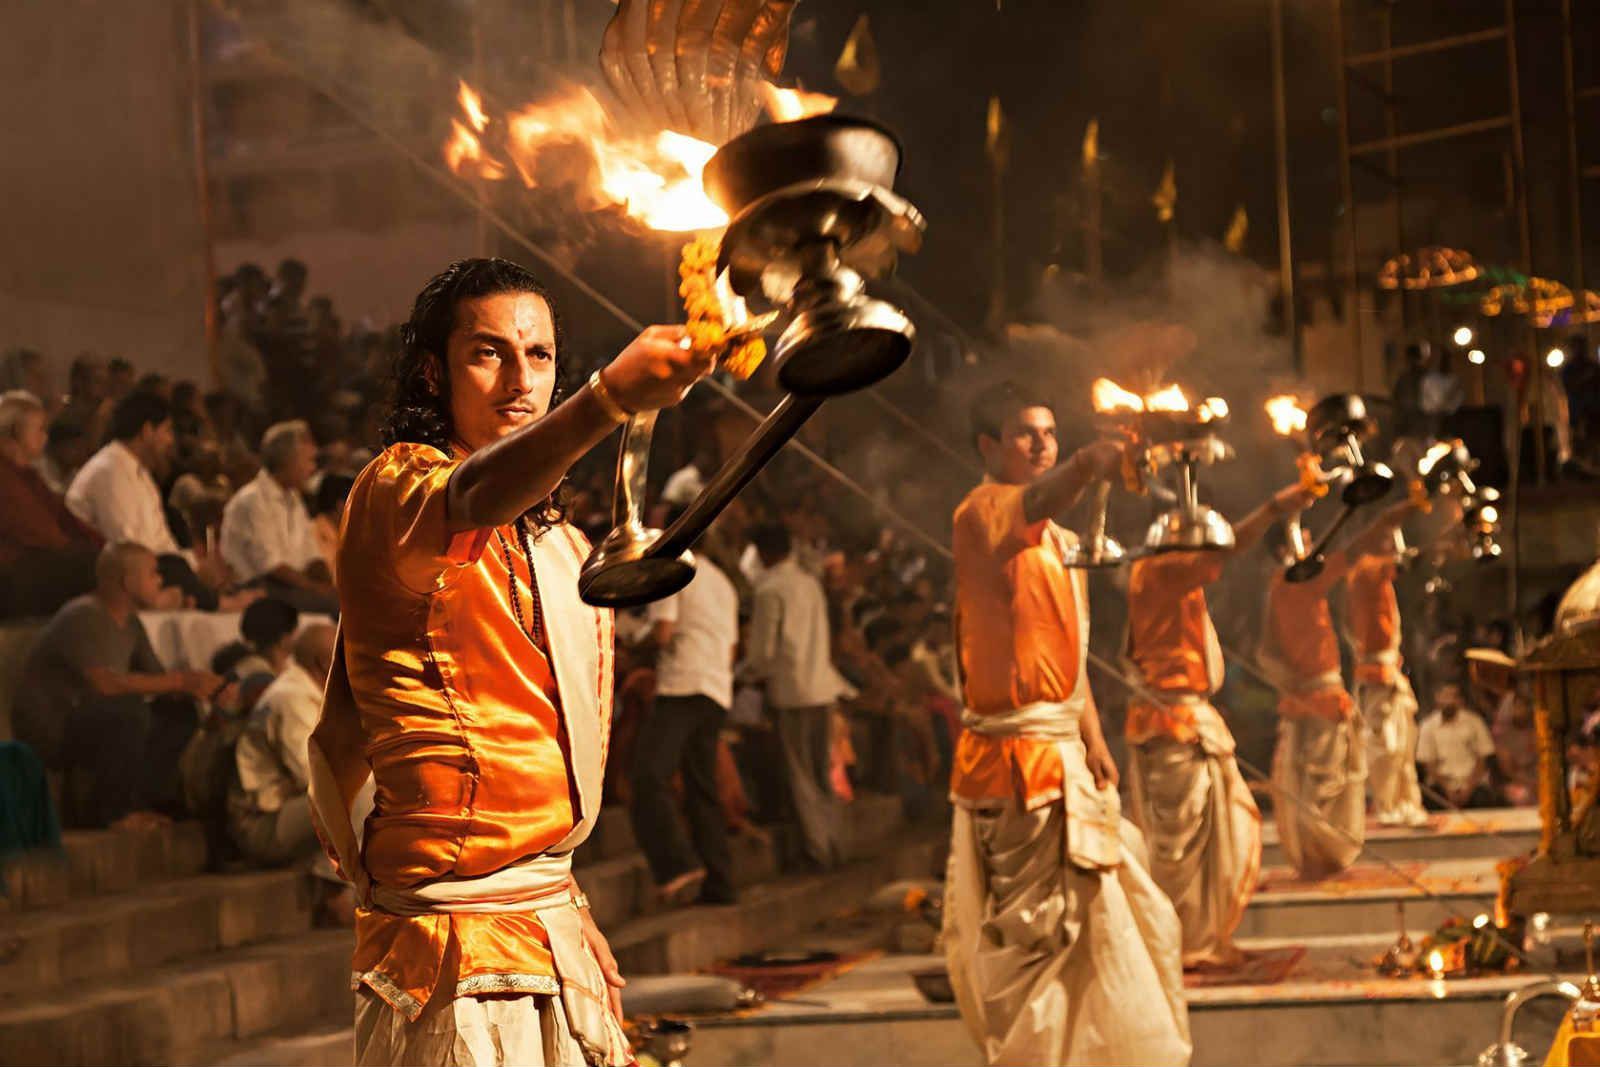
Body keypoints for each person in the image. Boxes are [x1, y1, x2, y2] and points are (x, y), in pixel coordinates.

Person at [305, 258, 711, 1066]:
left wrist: (565, 897)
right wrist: (609, 400)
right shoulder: (397, 491)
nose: (519, 381)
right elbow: (476, 496)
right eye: (488, 353)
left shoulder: (559, 544)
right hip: (447, 944)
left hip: (548, 919)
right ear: (435, 371)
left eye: (540, 356)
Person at [942, 381, 1190, 1067]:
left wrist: (1095, 738)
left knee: (1105, 931)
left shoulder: (1066, 542)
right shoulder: (980, 513)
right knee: (1038, 943)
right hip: (1013, 766)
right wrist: (1087, 462)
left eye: (1049, 431)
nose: (1041, 442)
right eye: (1025, 432)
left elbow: (1069, 649)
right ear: (989, 446)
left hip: (1064, 757)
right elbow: (1041, 496)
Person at [1123, 481, 1314, 968]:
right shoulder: (1163, 569)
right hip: (1172, 725)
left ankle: (1199, 941)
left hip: (1184, 719)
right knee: (1179, 849)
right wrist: (1274, 505)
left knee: (1220, 831)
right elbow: (1228, 547)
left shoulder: (1167, 573)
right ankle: (1185, 946)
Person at [11, 542, 221, 828]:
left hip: (95, 718)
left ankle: (147, 801)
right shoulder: (84, 615)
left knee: (179, 710)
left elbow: (162, 680)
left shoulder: (130, 622)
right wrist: (180, 681)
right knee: (128, 711)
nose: (160, 580)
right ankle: (112, 813)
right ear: (127, 580)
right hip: (54, 726)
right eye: (153, 573)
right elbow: (105, 685)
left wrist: (204, 687)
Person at [1260, 498, 1414, 879]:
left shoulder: (1283, 586)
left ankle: (1319, 858)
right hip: (1318, 698)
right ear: (1286, 549)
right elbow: (1355, 549)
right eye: (1306, 538)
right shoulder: (1294, 582)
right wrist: (1400, 508)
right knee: (1324, 784)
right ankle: (1320, 857)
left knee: (1322, 783)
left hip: (1315, 695)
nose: (1313, 545)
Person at [627, 507, 741, 906]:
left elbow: (662, 633)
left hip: (682, 686)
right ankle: (720, 883)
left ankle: (676, 865)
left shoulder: (673, 568)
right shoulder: (724, 582)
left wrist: (631, 642)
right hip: (715, 689)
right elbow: (729, 649)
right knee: (701, 789)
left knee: (647, 778)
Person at [743, 521, 853, 872]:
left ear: (763, 552)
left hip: (792, 692)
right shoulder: (810, 584)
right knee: (821, 770)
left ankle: (817, 851)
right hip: (822, 687)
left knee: (801, 774)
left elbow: (762, 653)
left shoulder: (769, 590)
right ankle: (835, 843)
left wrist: (744, 676)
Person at [231, 622, 339, 868]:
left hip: (292, 809)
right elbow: (313, 777)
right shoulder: (290, 698)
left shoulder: (317, 693)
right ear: (324, 663)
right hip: (262, 823)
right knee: (360, 799)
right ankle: (336, 896)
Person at [1347, 535, 1428, 827]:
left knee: (1404, 745)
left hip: (1390, 671)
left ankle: (1406, 803)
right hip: (1376, 673)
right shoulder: (1366, 569)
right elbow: (1397, 562)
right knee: (1385, 747)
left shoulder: (1381, 579)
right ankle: (1387, 805)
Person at [0, 390, 103, 615]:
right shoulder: (5, 476)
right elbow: (35, 530)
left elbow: (65, 518)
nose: (45, 437)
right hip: (13, 574)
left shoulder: (30, 476)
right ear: (15, 432)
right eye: (39, 429)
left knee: (111, 561)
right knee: (90, 567)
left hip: (42, 560)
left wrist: (106, 547)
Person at [219, 419, 337, 613]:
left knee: (350, 601)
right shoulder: (253, 500)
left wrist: (328, 580)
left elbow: (311, 555)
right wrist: (316, 589)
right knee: (337, 606)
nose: (313, 468)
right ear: (287, 460)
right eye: (308, 460)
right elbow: (271, 566)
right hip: (258, 588)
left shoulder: (294, 499)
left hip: (291, 586)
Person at [1417, 681, 1499, 809]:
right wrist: (1447, 789)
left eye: (1453, 696)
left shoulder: (1474, 722)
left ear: (1460, 700)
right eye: (1445, 696)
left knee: (1484, 800)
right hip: (1441, 785)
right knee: (1431, 801)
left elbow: (1482, 759)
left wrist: (1468, 789)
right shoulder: (1428, 726)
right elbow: (1429, 765)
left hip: (1473, 784)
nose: (1449, 701)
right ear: (1437, 698)